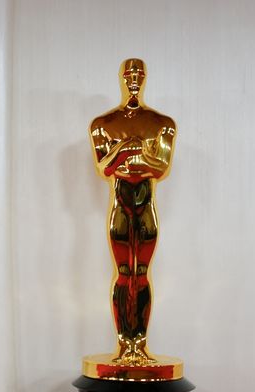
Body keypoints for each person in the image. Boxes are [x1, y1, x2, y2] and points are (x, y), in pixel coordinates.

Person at [89, 58, 176, 364]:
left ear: (145, 77)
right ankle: (124, 346)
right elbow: (105, 166)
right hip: (120, 207)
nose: (134, 78)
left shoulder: (162, 123)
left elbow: (161, 166)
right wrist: (129, 149)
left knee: (142, 274)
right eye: (129, 74)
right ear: (121, 79)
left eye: (139, 73)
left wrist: (131, 159)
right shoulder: (103, 125)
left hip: (145, 205)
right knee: (123, 273)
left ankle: (139, 344)